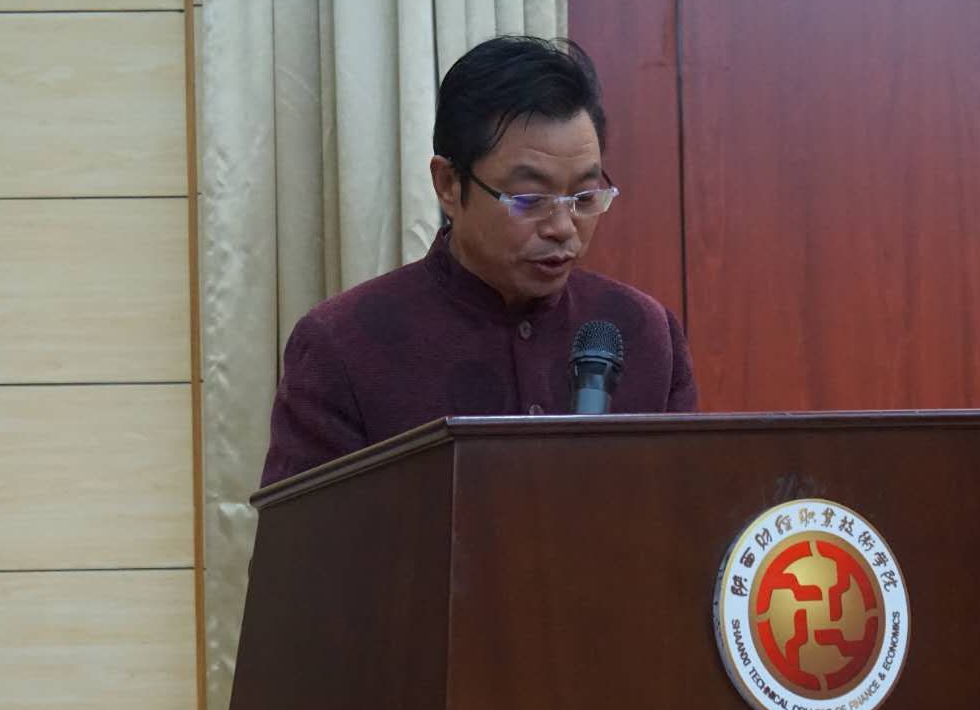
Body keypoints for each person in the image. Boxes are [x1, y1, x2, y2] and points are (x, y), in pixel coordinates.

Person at [260, 35, 697, 487]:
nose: (563, 227)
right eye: (530, 198)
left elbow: (692, 513)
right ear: (449, 184)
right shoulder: (343, 346)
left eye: (584, 197)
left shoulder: (647, 332)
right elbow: (305, 534)